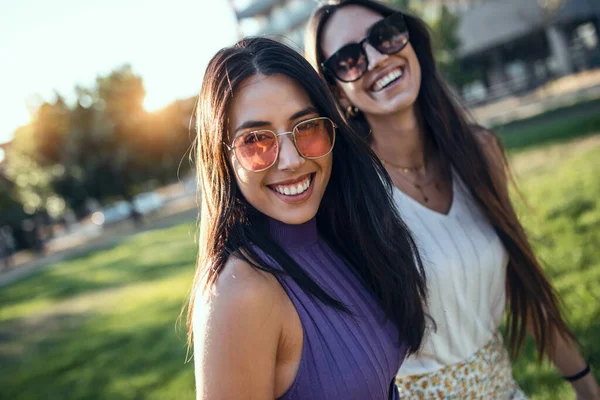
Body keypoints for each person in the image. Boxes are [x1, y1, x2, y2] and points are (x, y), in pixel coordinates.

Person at [305, 1, 600, 398]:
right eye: (348, 59)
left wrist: (586, 386)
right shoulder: (344, 197)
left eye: (384, 36)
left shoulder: (478, 151)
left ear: (408, 38)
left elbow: (524, 285)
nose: (376, 59)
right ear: (338, 93)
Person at [186, 37, 429, 399]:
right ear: (223, 159)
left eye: (306, 126)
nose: (291, 160)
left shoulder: (345, 236)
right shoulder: (241, 293)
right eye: (255, 139)